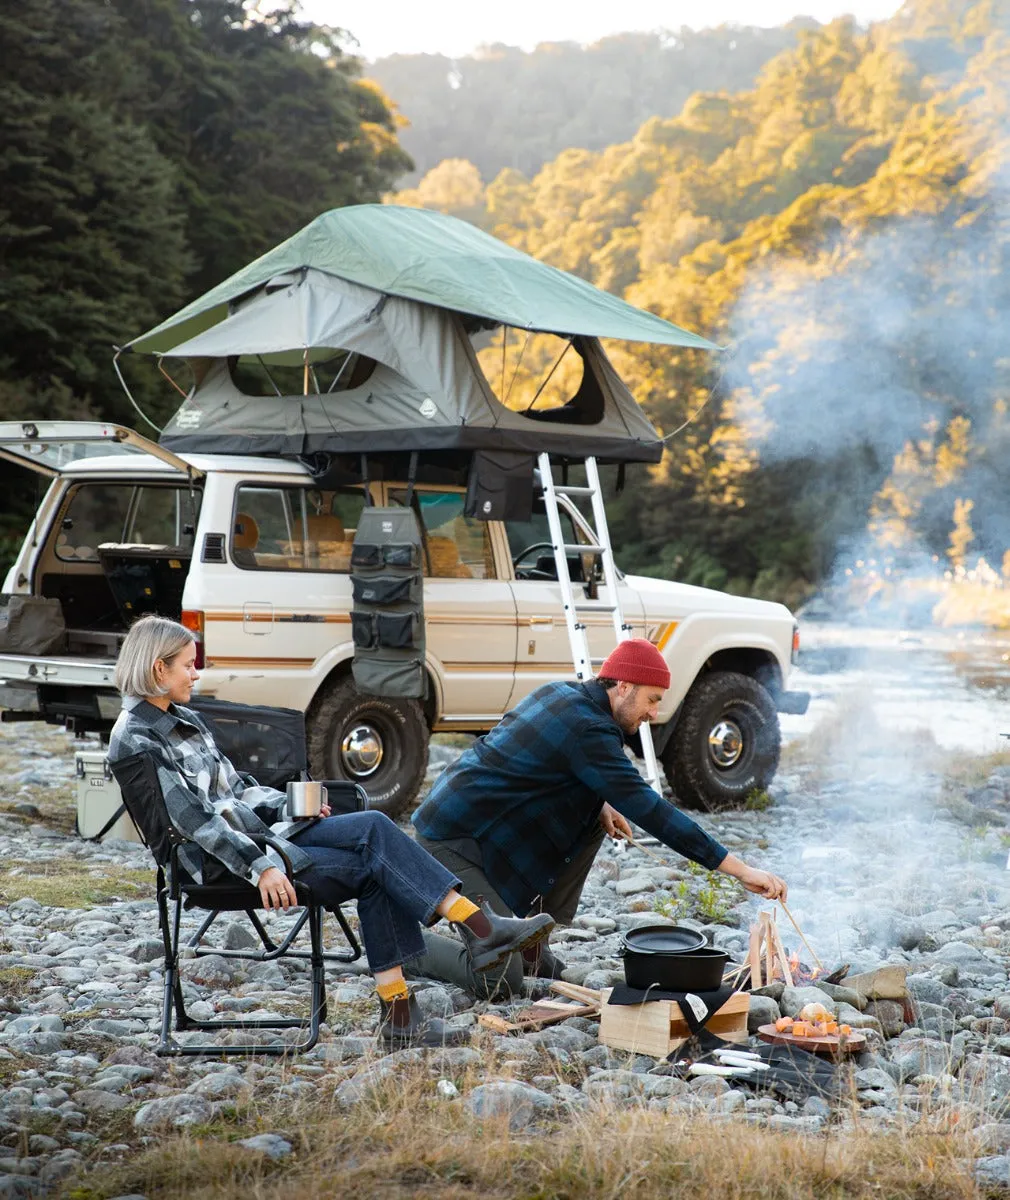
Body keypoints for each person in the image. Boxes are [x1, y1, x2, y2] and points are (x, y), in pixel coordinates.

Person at [107, 615, 553, 1048]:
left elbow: (236, 791)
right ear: (157, 668)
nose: (196, 673)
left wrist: (292, 806)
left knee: (376, 828)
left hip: (262, 840)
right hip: (222, 865)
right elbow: (194, 823)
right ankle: (449, 961)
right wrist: (260, 868)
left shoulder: (184, 719)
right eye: (188, 664)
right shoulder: (137, 737)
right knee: (379, 867)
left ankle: (459, 951)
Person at [411, 638, 788, 998]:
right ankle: (405, 946)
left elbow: (540, 766)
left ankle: (531, 948)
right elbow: (653, 811)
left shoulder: (563, 694)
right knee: (499, 980)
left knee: (592, 813)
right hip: (450, 843)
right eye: (652, 700)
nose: (654, 714)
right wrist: (740, 870)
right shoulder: (587, 728)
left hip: (483, 830)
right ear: (623, 687)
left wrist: (602, 802)